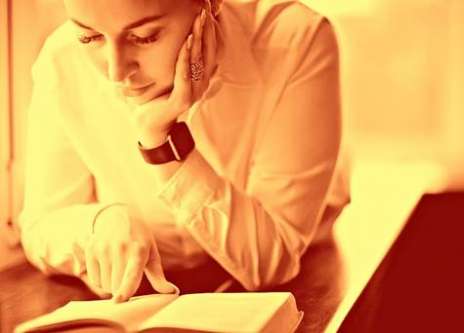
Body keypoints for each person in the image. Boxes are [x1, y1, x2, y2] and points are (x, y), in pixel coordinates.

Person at [19, 0, 347, 303]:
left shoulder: (295, 41)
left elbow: (271, 261)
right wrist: (99, 224)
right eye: (89, 38)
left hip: (310, 272)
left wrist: (162, 142)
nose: (116, 73)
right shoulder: (61, 60)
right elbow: (40, 226)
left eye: (145, 37)